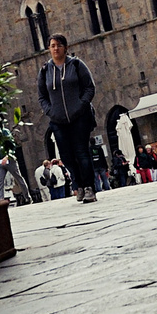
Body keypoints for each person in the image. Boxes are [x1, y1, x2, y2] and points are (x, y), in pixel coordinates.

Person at [36, 33, 98, 203]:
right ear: (49, 49)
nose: (56, 48)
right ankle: (77, 184)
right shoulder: (45, 71)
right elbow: (42, 96)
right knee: (67, 156)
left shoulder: (77, 65)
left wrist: (81, 105)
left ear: (65, 47)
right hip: (58, 120)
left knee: (82, 152)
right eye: (52, 45)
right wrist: (51, 111)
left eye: (59, 45)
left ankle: (88, 187)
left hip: (79, 117)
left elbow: (89, 88)